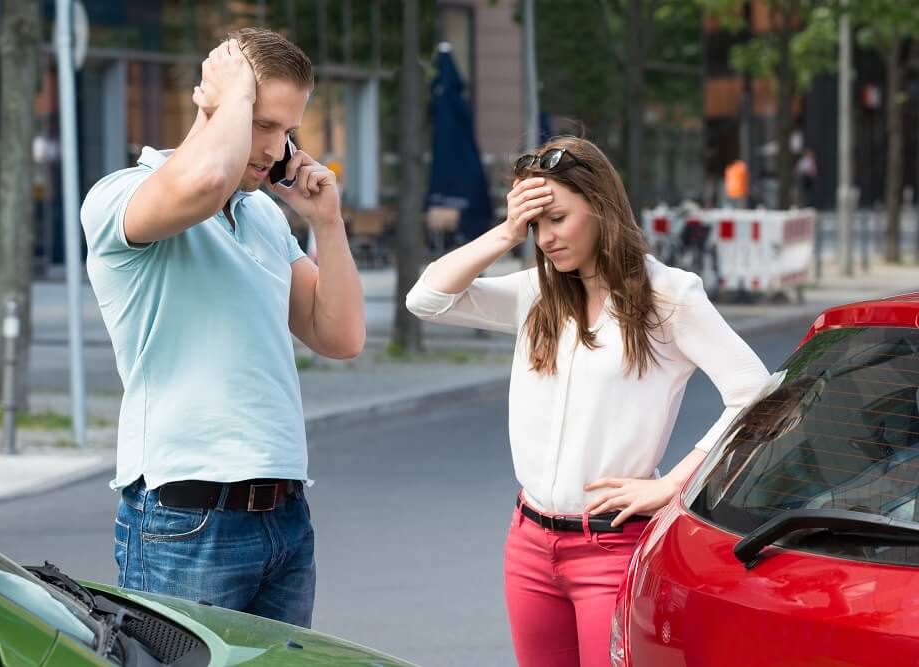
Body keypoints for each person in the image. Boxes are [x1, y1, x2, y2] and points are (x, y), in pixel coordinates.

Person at [405, 136, 769, 666]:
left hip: (611, 547)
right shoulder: (537, 294)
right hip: (529, 543)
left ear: (598, 206)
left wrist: (672, 485)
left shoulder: (667, 296)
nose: (546, 238)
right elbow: (427, 300)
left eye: (557, 218)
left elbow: (755, 394)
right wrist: (505, 232)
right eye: (535, 225)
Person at [80, 29, 365, 627]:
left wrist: (327, 223)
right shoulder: (121, 196)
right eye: (262, 123)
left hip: (284, 514)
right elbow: (205, 181)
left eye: (287, 131)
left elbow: (340, 336)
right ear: (209, 101)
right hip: (185, 519)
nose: (275, 147)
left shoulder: (263, 216)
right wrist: (231, 96)